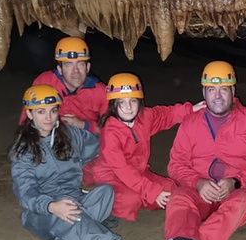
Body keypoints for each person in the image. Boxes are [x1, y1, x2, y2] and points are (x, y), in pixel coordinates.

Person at [9, 84, 144, 240]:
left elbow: (102, 146)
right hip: (41, 212)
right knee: (74, 212)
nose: (48, 117)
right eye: (41, 112)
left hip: (74, 198)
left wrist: (123, 149)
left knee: (106, 192)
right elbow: (25, 192)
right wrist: (52, 206)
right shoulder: (23, 150)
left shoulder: (70, 134)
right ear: (30, 114)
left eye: (53, 111)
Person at [155, 61, 246, 240]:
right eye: (211, 90)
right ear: (204, 92)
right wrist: (198, 182)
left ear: (233, 91)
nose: (217, 96)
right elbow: (176, 164)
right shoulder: (191, 122)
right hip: (200, 191)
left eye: (223, 89)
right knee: (178, 197)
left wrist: (235, 181)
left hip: (235, 192)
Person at [82, 73, 205, 221]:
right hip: (112, 175)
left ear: (139, 101)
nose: (128, 107)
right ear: (113, 105)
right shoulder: (110, 133)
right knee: (130, 200)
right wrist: (152, 192)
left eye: (133, 101)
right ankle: (96, 198)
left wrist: (190, 109)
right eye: (122, 102)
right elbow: (123, 170)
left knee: (169, 188)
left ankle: (141, 196)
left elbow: (166, 115)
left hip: (139, 171)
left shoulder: (144, 117)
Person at [24, 36, 108, 134]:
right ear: (60, 69)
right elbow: (27, 119)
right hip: (51, 133)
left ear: (87, 67)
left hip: (86, 137)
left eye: (80, 64)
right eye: (68, 65)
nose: (75, 71)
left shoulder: (101, 92)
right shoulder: (45, 83)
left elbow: (112, 130)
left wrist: (83, 124)